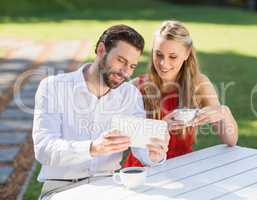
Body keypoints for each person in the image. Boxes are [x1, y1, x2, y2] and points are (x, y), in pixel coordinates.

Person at [32, 24, 169, 199]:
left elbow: (140, 148)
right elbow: (44, 149)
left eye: (132, 66)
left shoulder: (130, 94)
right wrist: (92, 148)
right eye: (121, 60)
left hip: (110, 187)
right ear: (101, 49)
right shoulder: (53, 87)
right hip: (61, 188)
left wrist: (154, 153)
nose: (126, 72)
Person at [124, 20, 238, 167]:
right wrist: (161, 126)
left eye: (172, 56)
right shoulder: (136, 87)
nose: (164, 63)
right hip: (143, 169)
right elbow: (122, 135)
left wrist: (223, 112)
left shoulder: (199, 84)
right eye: (158, 54)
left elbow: (231, 140)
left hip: (183, 167)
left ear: (187, 53)